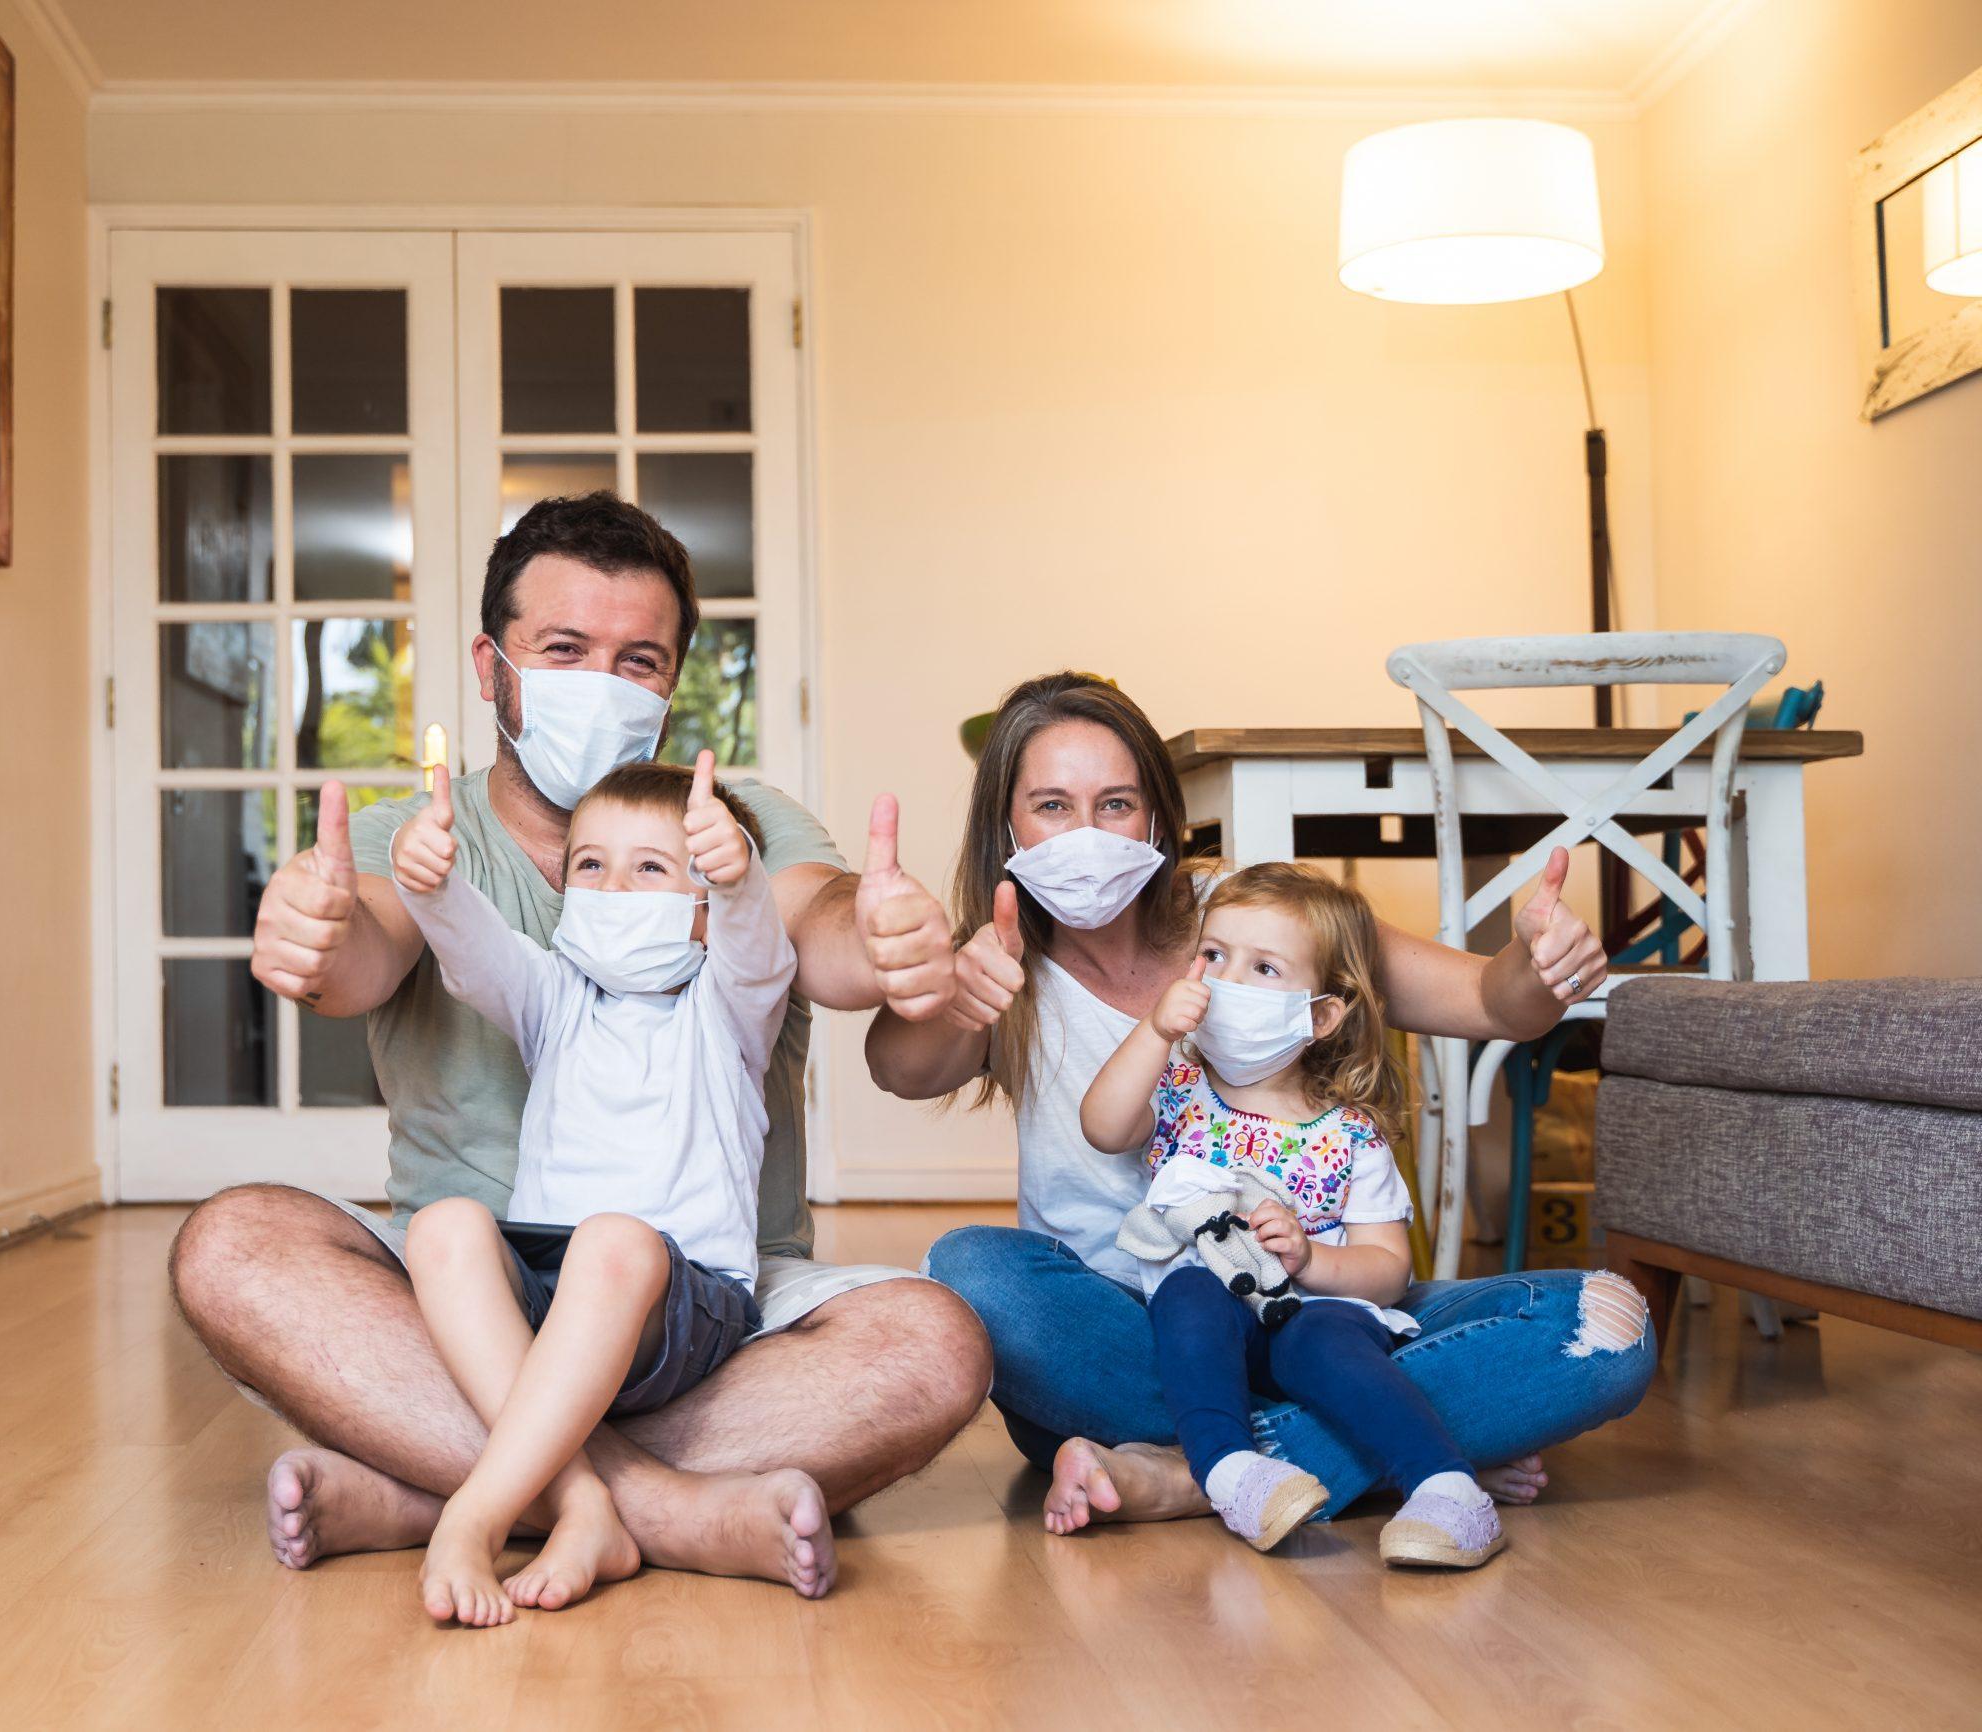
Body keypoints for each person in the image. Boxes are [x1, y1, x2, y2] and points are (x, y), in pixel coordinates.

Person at [168, 493, 988, 1595]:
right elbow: (377, 946)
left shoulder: (730, 827)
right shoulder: (418, 834)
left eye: (638, 660)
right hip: (468, 1303)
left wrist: (883, 934)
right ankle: (650, 1508)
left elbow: (813, 926)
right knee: (232, 1244)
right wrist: (318, 934)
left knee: (935, 1345)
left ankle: (449, 1492)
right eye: (563, 649)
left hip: (709, 1308)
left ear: (671, 683)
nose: (602, 683)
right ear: (491, 665)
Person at [871, 671, 1654, 1536]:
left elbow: (1491, 1003)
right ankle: (1403, 1444)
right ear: (1008, 825)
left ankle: (1199, 1471)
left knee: (1605, 1327)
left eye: (1116, 804)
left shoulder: (1253, 915)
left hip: (1315, 1313)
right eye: (1052, 806)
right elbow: (896, 1068)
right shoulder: (997, 960)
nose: (1087, 833)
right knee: (974, 1273)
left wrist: (1537, 964)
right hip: (1130, 1330)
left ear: (1157, 819)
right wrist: (956, 997)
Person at [394, 752, 828, 1624]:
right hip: (555, 1291)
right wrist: (430, 885)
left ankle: (473, 1516)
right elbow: (477, 956)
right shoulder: (556, 996)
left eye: (651, 869)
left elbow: (757, 953)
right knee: (442, 1227)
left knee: (612, 1240)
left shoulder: (727, 1008)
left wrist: (740, 878)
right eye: (590, 864)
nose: (614, 888)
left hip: (685, 1299)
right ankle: (583, 1505)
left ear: (701, 908)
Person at [1084, 863, 1506, 1569]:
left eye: (1264, 967)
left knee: (1322, 1340)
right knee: (1187, 1291)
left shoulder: (1351, 1134)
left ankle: (1448, 1488)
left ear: (1320, 1016)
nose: (1227, 980)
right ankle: (1231, 1471)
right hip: (1207, 1324)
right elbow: (1102, 1126)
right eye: (1214, 955)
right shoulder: (1180, 1088)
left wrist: (1313, 1259)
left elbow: (1388, 1269)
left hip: (1311, 1318)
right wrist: (1155, 1031)